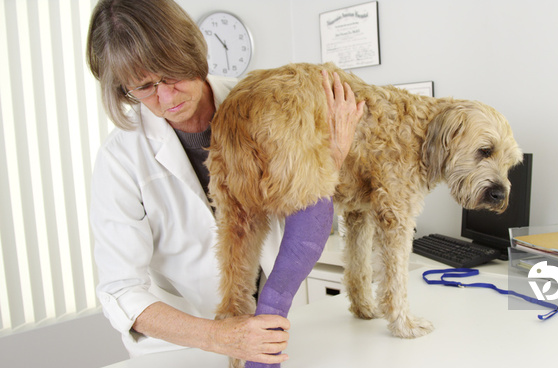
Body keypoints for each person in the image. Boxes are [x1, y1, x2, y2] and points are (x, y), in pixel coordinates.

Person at [85, 0, 364, 365]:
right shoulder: (120, 159)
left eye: (172, 75)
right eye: (143, 87)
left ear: (193, 52)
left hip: (273, 329)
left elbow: (308, 219)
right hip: (181, 348)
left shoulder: (268, 105)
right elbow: (121, 291)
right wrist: (219, 336)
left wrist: (333, 158)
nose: (166, 98)